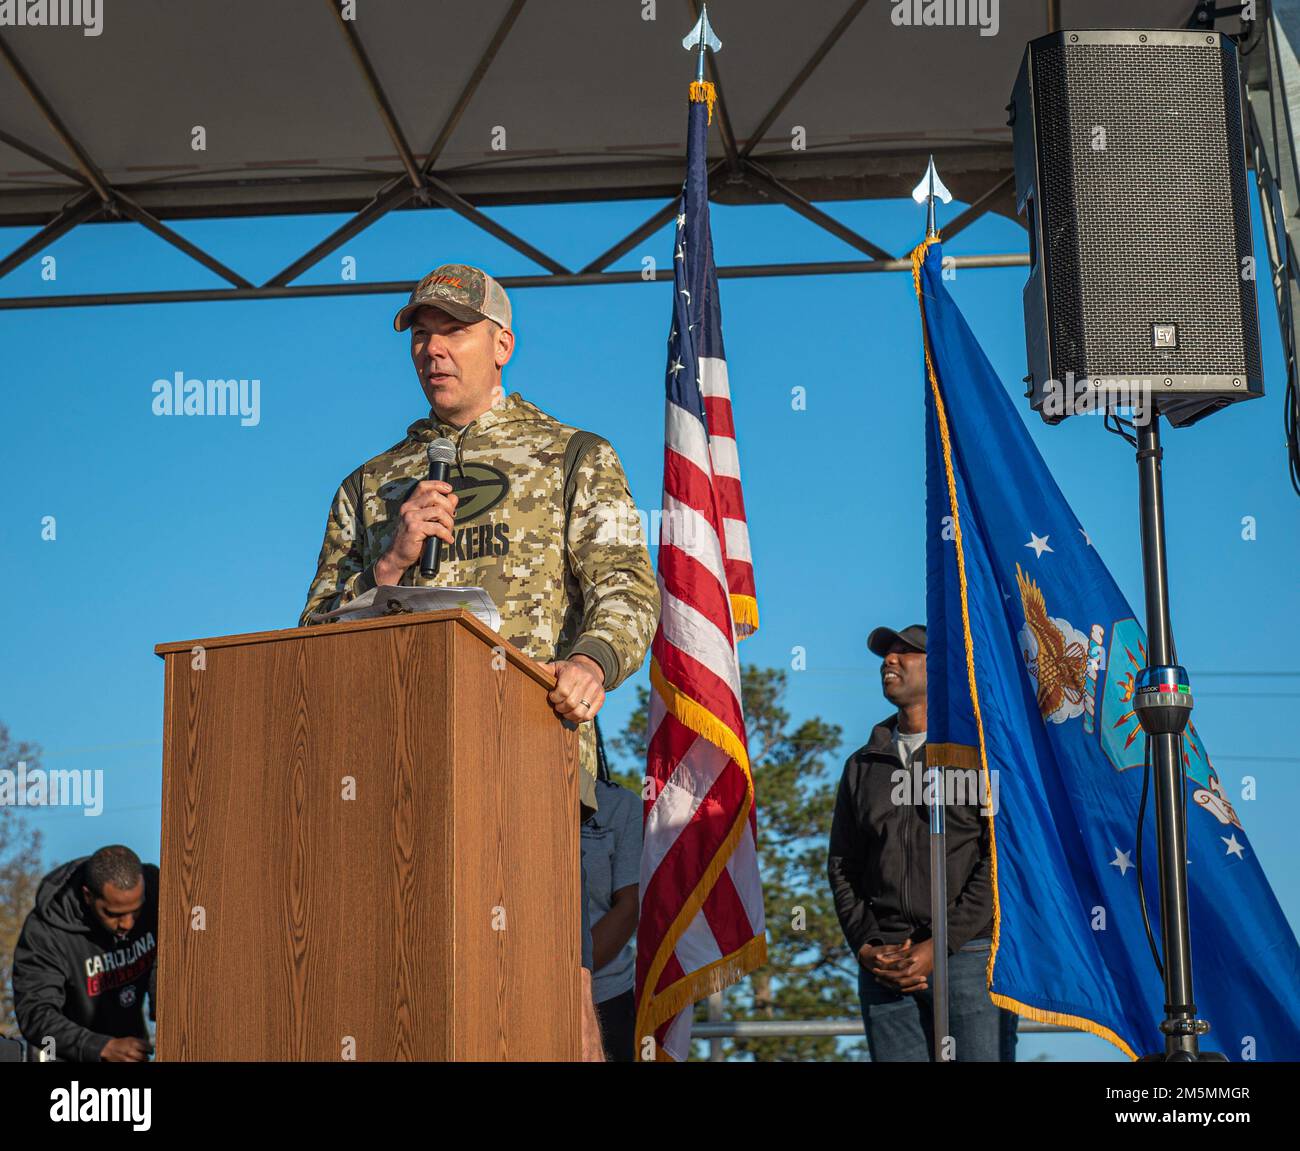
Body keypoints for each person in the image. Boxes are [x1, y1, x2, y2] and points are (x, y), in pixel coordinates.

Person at [299, 263, 660, 1060]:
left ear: (502, 344)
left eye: (453, 331)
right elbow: (311, 640)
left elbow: (629, 587)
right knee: (410, 1005)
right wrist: (388, 563)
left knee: (547, 1001)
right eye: (421, 335)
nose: (433, 348)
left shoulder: (571, 456)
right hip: (393, 780)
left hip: (529, 768)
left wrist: (593, 663)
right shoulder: (369, 485)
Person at [827, 623, 1017, 1062]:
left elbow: (1001, 859)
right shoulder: (863, 765)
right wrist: (868, 945)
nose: (888, 661)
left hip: (969, 956)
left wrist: (941, 943)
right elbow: (842, 865)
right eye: (885, 655)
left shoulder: (979, 755)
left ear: (940, 669)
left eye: (904, 652)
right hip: (886, 964)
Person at [12, 845, 158, 1063]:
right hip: (69, 1058)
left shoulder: (159, 893)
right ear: (88, 896)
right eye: (113, 914)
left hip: (132, 1051)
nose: (128, 924)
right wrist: (101, 1047)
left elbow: (177, 956)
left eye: (136, 910)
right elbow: (36, 1014)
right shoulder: (46, 932)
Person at [580, 724, 641, 1061]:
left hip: (608, 996)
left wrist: (569, 974)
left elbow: (629, 907)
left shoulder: (622, 806)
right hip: (521, 988)